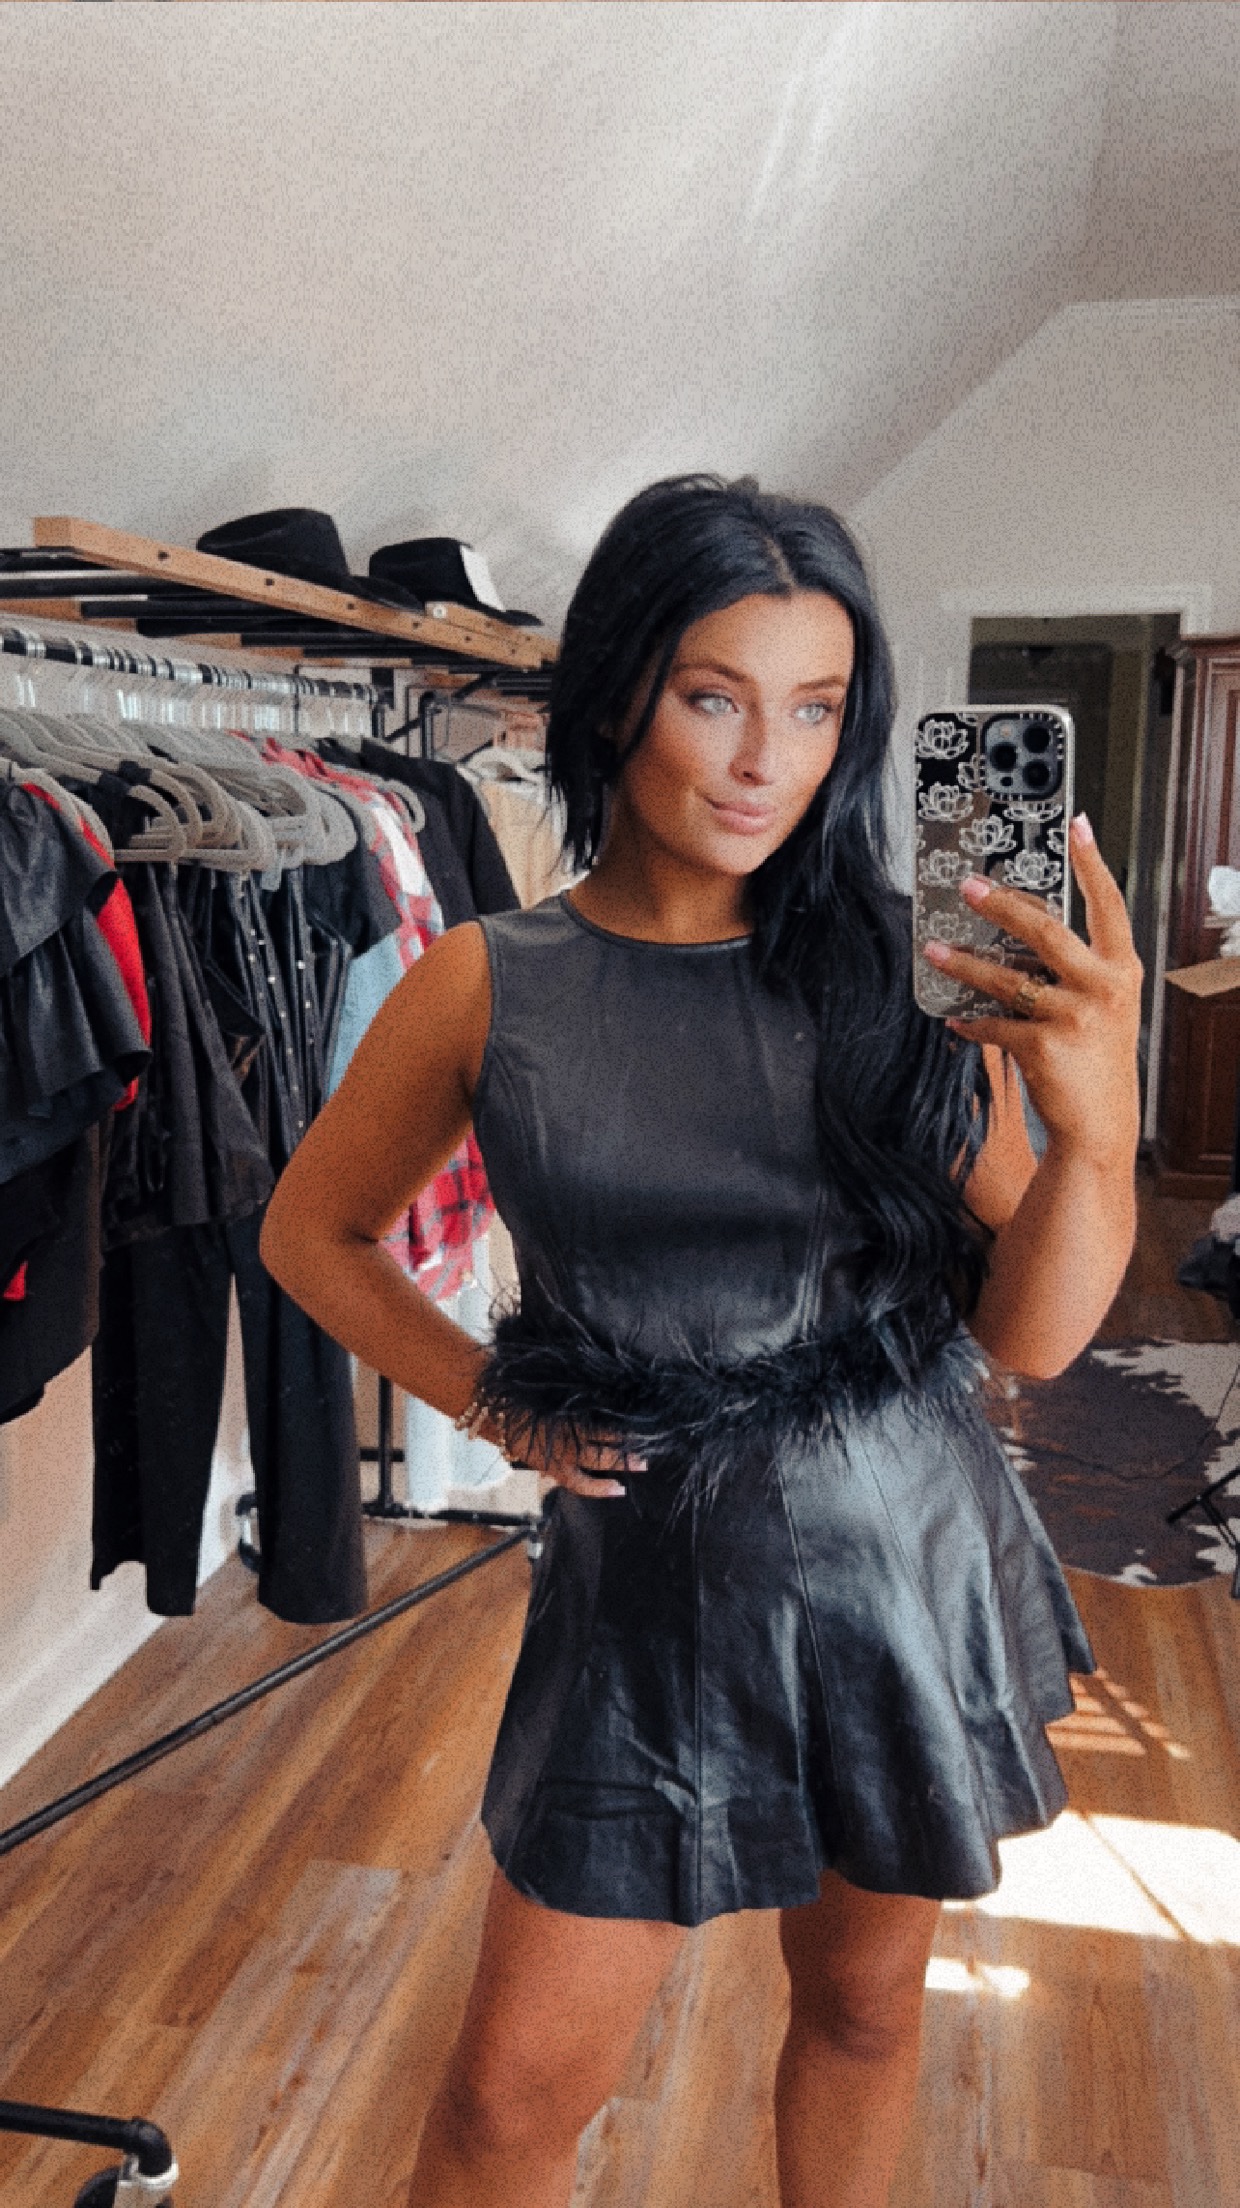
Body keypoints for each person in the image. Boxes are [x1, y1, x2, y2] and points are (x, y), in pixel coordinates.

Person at [260, 475, 1141, 2208]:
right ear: (616, 697)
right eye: (714, 696)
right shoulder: (489, 982)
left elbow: (1029, 1339)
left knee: (865, 2009)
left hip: (901, 1559)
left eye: (814, 710)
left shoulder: (905, 971)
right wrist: (497, 1402)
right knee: (507, 2102)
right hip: (647, 1597)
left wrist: (1096, 1135)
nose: (763, 762)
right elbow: (312, 1233)